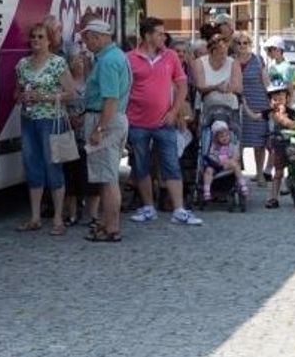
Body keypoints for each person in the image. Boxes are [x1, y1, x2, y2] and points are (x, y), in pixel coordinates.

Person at [125, 17, 201, 226]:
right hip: (137, 121)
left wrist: (174, 111)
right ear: (147, 35)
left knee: (171, 165)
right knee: (141, 165)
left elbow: (182, 86)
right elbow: (123, 90)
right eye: (159, 33)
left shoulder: (170, 57)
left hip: (164, 121)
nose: (163, 36)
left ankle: (179, 209)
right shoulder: (129, 59)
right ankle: (148, 207)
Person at [13, 23, 76, 235]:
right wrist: (20, 96)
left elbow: (71, 93)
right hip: (28, 119)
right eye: (33, 36)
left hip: (50, 120)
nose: (36, 40)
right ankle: (35, 217)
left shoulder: (57, 63)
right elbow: (17, 92)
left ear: (49, 40)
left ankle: (58, 218)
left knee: (53, 166)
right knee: (32, 166)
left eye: (41, 37)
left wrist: (46, 97)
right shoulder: (22, 64)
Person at [80, 19, 131, 243]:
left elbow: (110, 99)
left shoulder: (108, 61)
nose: (86, 44)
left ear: (98, 37)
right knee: (105, 175)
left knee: (108, 178)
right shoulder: (116, 56)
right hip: (114, 119)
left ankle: (111, 227)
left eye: (87, 39)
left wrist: (99, 128)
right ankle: (106, 223)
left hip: (106, 120)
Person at [232, 31, 270, 185]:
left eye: (245, 43)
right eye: (239, 43)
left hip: (258, 102)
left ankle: (260, 173)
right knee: (237, 141)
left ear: (249, 44)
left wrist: (273, 100)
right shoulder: (231, 61)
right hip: (238, 103)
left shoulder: (258, 60)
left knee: (259, 142)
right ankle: (237, 176)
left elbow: (266, 81)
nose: (242, 46)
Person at [61, 50, 93, 227]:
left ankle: (88, 211)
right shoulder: (64, 83)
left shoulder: (91, 83)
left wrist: (83, 118)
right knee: (69, 172)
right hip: (68, 132)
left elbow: (96, 104)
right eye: (74, 60)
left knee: (85, 173)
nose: (78, 63)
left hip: (86, 133)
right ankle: (72, 212)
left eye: (81, 60)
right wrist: (68, 117)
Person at [263, 80, 295, 209]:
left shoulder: (291, 112)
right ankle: (273, 197)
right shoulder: (272, 113)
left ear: (287, 98)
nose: (278, 100)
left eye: (281, 97)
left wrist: (285, 116)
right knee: (278, 172)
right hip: (278, 145)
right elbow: (258, 116)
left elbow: (293, 124)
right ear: (271, 100)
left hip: (290, 143)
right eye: (275, 98)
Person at [193, 30, 242, 117]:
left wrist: (228, 88)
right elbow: (200, 86)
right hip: (208, 108)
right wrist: (216, 87)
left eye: (225, 50)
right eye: (220, 51)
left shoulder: (233, 63)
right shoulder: (200, 62)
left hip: (230, 108)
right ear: (212, 51)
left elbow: (238, 87)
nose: (224, 54)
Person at [201, 120, 247, 200]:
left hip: (227, 165)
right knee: (208, 170)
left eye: (226, 136)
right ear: (216, 138)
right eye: (221, 137)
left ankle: (242, 183)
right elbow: (210, 156)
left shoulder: (232, 146)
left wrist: (230, 160)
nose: (225, 138)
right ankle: (207, 189)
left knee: (236, 165)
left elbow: (236, 156)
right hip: (215, 165)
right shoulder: (214, 147)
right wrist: (216, 161)